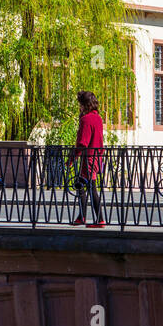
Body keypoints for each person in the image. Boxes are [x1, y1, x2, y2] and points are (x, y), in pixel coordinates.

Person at [67, 91, 106, 228]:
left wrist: (71, 159)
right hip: (96, 157)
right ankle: (82, 217)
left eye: (80, 105)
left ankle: (99, 219)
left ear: (84, 105)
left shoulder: (86, 119)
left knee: (89, 187)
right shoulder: (98, 118)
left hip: (88, 157)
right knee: (82, 185)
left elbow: (83, 142)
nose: (79, 107)